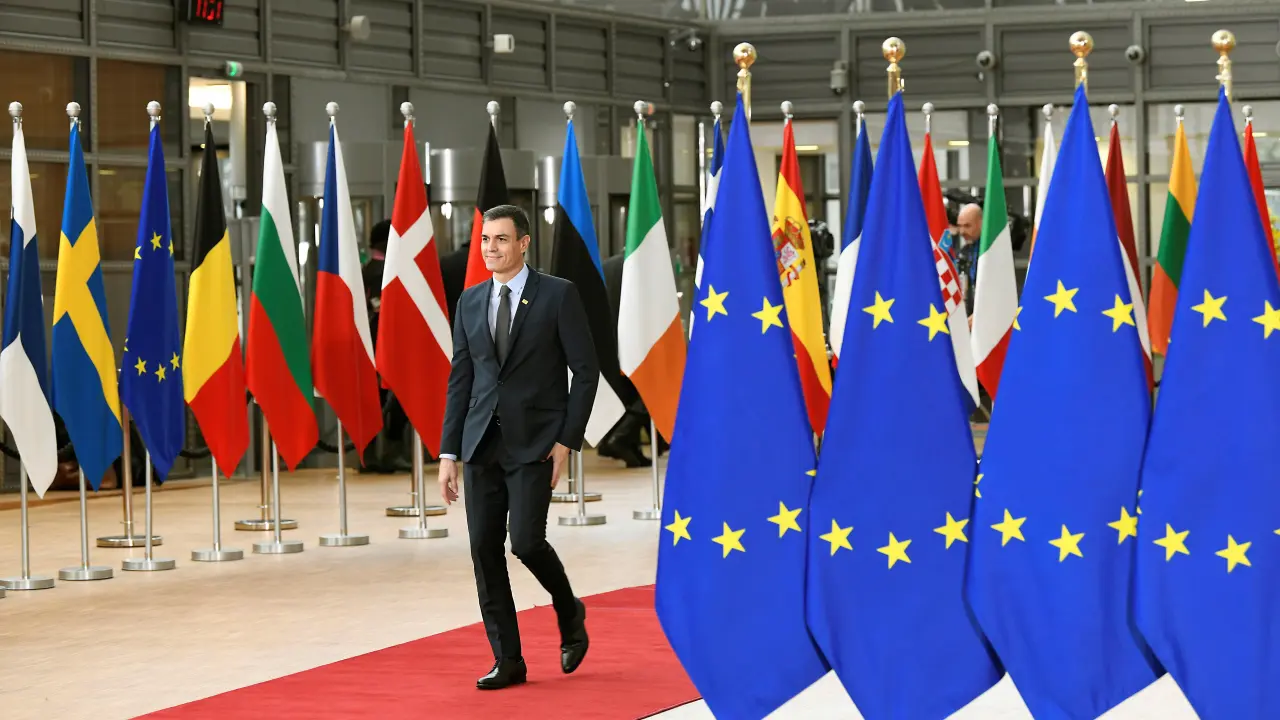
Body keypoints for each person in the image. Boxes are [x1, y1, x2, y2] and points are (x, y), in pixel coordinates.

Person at [437, 204, 598, 690]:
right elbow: (461, 379)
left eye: (501, 239)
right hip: (480, 443)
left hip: (536, 443)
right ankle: (508, 659)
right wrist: (448, 452)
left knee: (526, 542)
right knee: (484, 550)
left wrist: (567, 439)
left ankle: (569, 611)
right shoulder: (469, 301)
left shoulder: (558, 295)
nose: (491, 248)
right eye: (486, 239)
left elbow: (586, 372)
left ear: (523, 243)